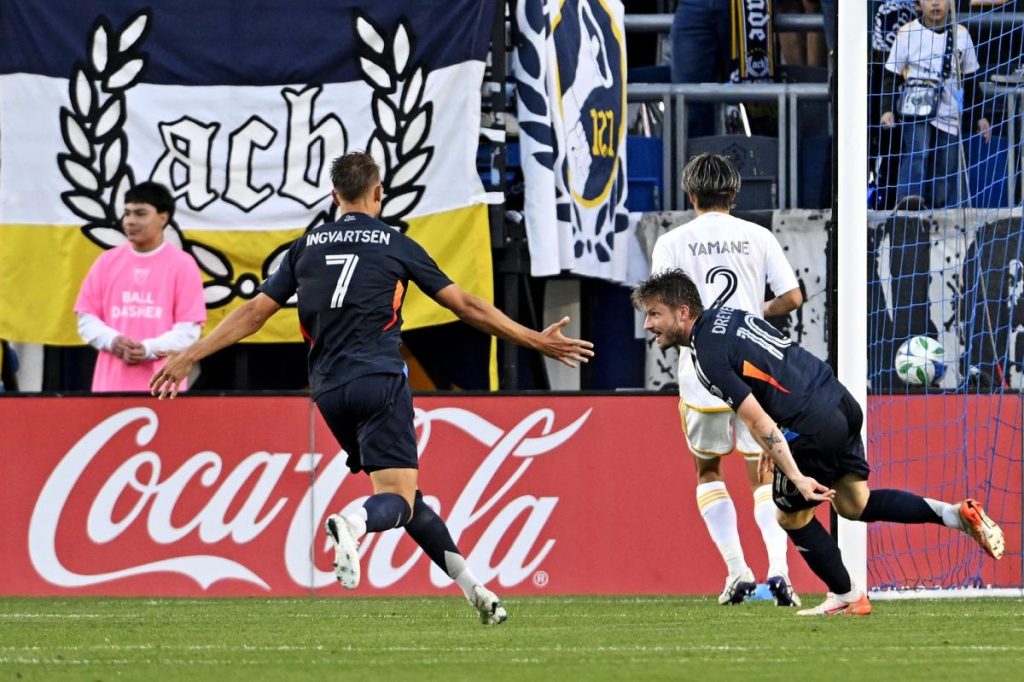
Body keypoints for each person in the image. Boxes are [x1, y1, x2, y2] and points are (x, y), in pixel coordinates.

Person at [150, 152, 594, 625]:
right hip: (379, 380)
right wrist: (533, 339)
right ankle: (355, 522)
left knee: (407, 500)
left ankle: (477, 592)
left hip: (327, 393)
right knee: (394, 502)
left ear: (333, 196)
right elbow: (465, 305)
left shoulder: (305, 247)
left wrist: (189, 355)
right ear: (378, 192)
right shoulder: (394, 244)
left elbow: (253, 313)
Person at [631, 269, 1005, 616]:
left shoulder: (707, 356)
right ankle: (956, 514)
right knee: (855, 503)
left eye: (654, 314)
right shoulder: (730, 316)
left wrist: (793, 473)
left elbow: (756, 418)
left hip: (809, 423)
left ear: (682, 312)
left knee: (790, 514)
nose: (648, 325)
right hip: (839, 401)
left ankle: (847, 596)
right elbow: (770, 372)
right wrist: (773, 446)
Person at [650, 153, 804, 607]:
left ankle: (738, 571)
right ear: (734, 194)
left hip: (701, 370)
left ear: (690, 194)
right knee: (764, 473)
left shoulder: (672, 242)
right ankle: (779, 572)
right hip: (753, 368)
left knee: (708, 468)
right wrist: (755, 315)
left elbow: (661, 310)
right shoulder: (757, 236)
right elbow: (793, 296)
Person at [74, 181, 206, 392]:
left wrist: (148, 349)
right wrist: (112, 340)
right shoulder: (107, 261)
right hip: (110, 388)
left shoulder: (182, 264)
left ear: (163, 218)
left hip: (164, 387)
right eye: (127, 213)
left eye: (140, 213)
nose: (130, 221)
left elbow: (189, 330)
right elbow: (86, 319)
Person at [880, 0, 990, 209]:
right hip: (916, 108)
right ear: (920, 3)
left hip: (949, 112)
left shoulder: (961, 34)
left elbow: (971, 81)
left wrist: (981, 115)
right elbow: (890, 76)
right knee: (917, 154)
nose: (936, 3)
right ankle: (909, 206)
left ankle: (939, 212)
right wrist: (887, 109)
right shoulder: (906, 33)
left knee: (946, 167)